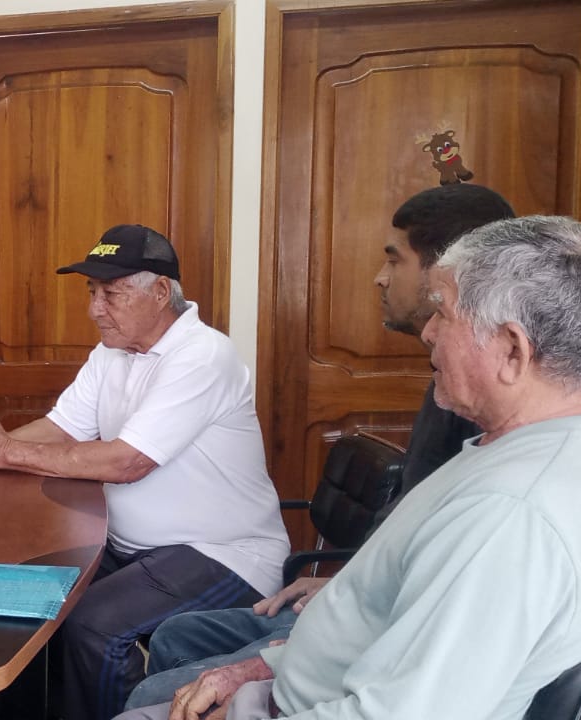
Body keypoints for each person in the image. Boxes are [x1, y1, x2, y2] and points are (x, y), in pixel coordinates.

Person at [162, 215, 581, 720]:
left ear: (512, 350)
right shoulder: (527, 447)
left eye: (443, 313)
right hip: (303, 685)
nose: (428, 332)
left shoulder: (509, 516)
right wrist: (268, 666)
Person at [122, 183, 513, 713]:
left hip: (376, 625)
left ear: (449, 273)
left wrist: (281, 656)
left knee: (152, 693)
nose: (379, 277)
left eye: (394, 260)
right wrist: (342, 580)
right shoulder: (446, 390)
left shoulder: (478, 417)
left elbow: (424, 631)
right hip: (361, 593)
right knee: (175, 636)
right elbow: (405, 540)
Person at [0, 224, 291, 720]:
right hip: (129, 547)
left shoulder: (203, 355)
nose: (95, 308)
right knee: (24, 598)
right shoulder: (113, 351)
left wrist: (2, 452)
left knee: (93, 625)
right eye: (92, 292)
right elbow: (61, 429)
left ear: (161, 292)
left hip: (224, 553)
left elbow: (126, 462)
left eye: (110, 294)